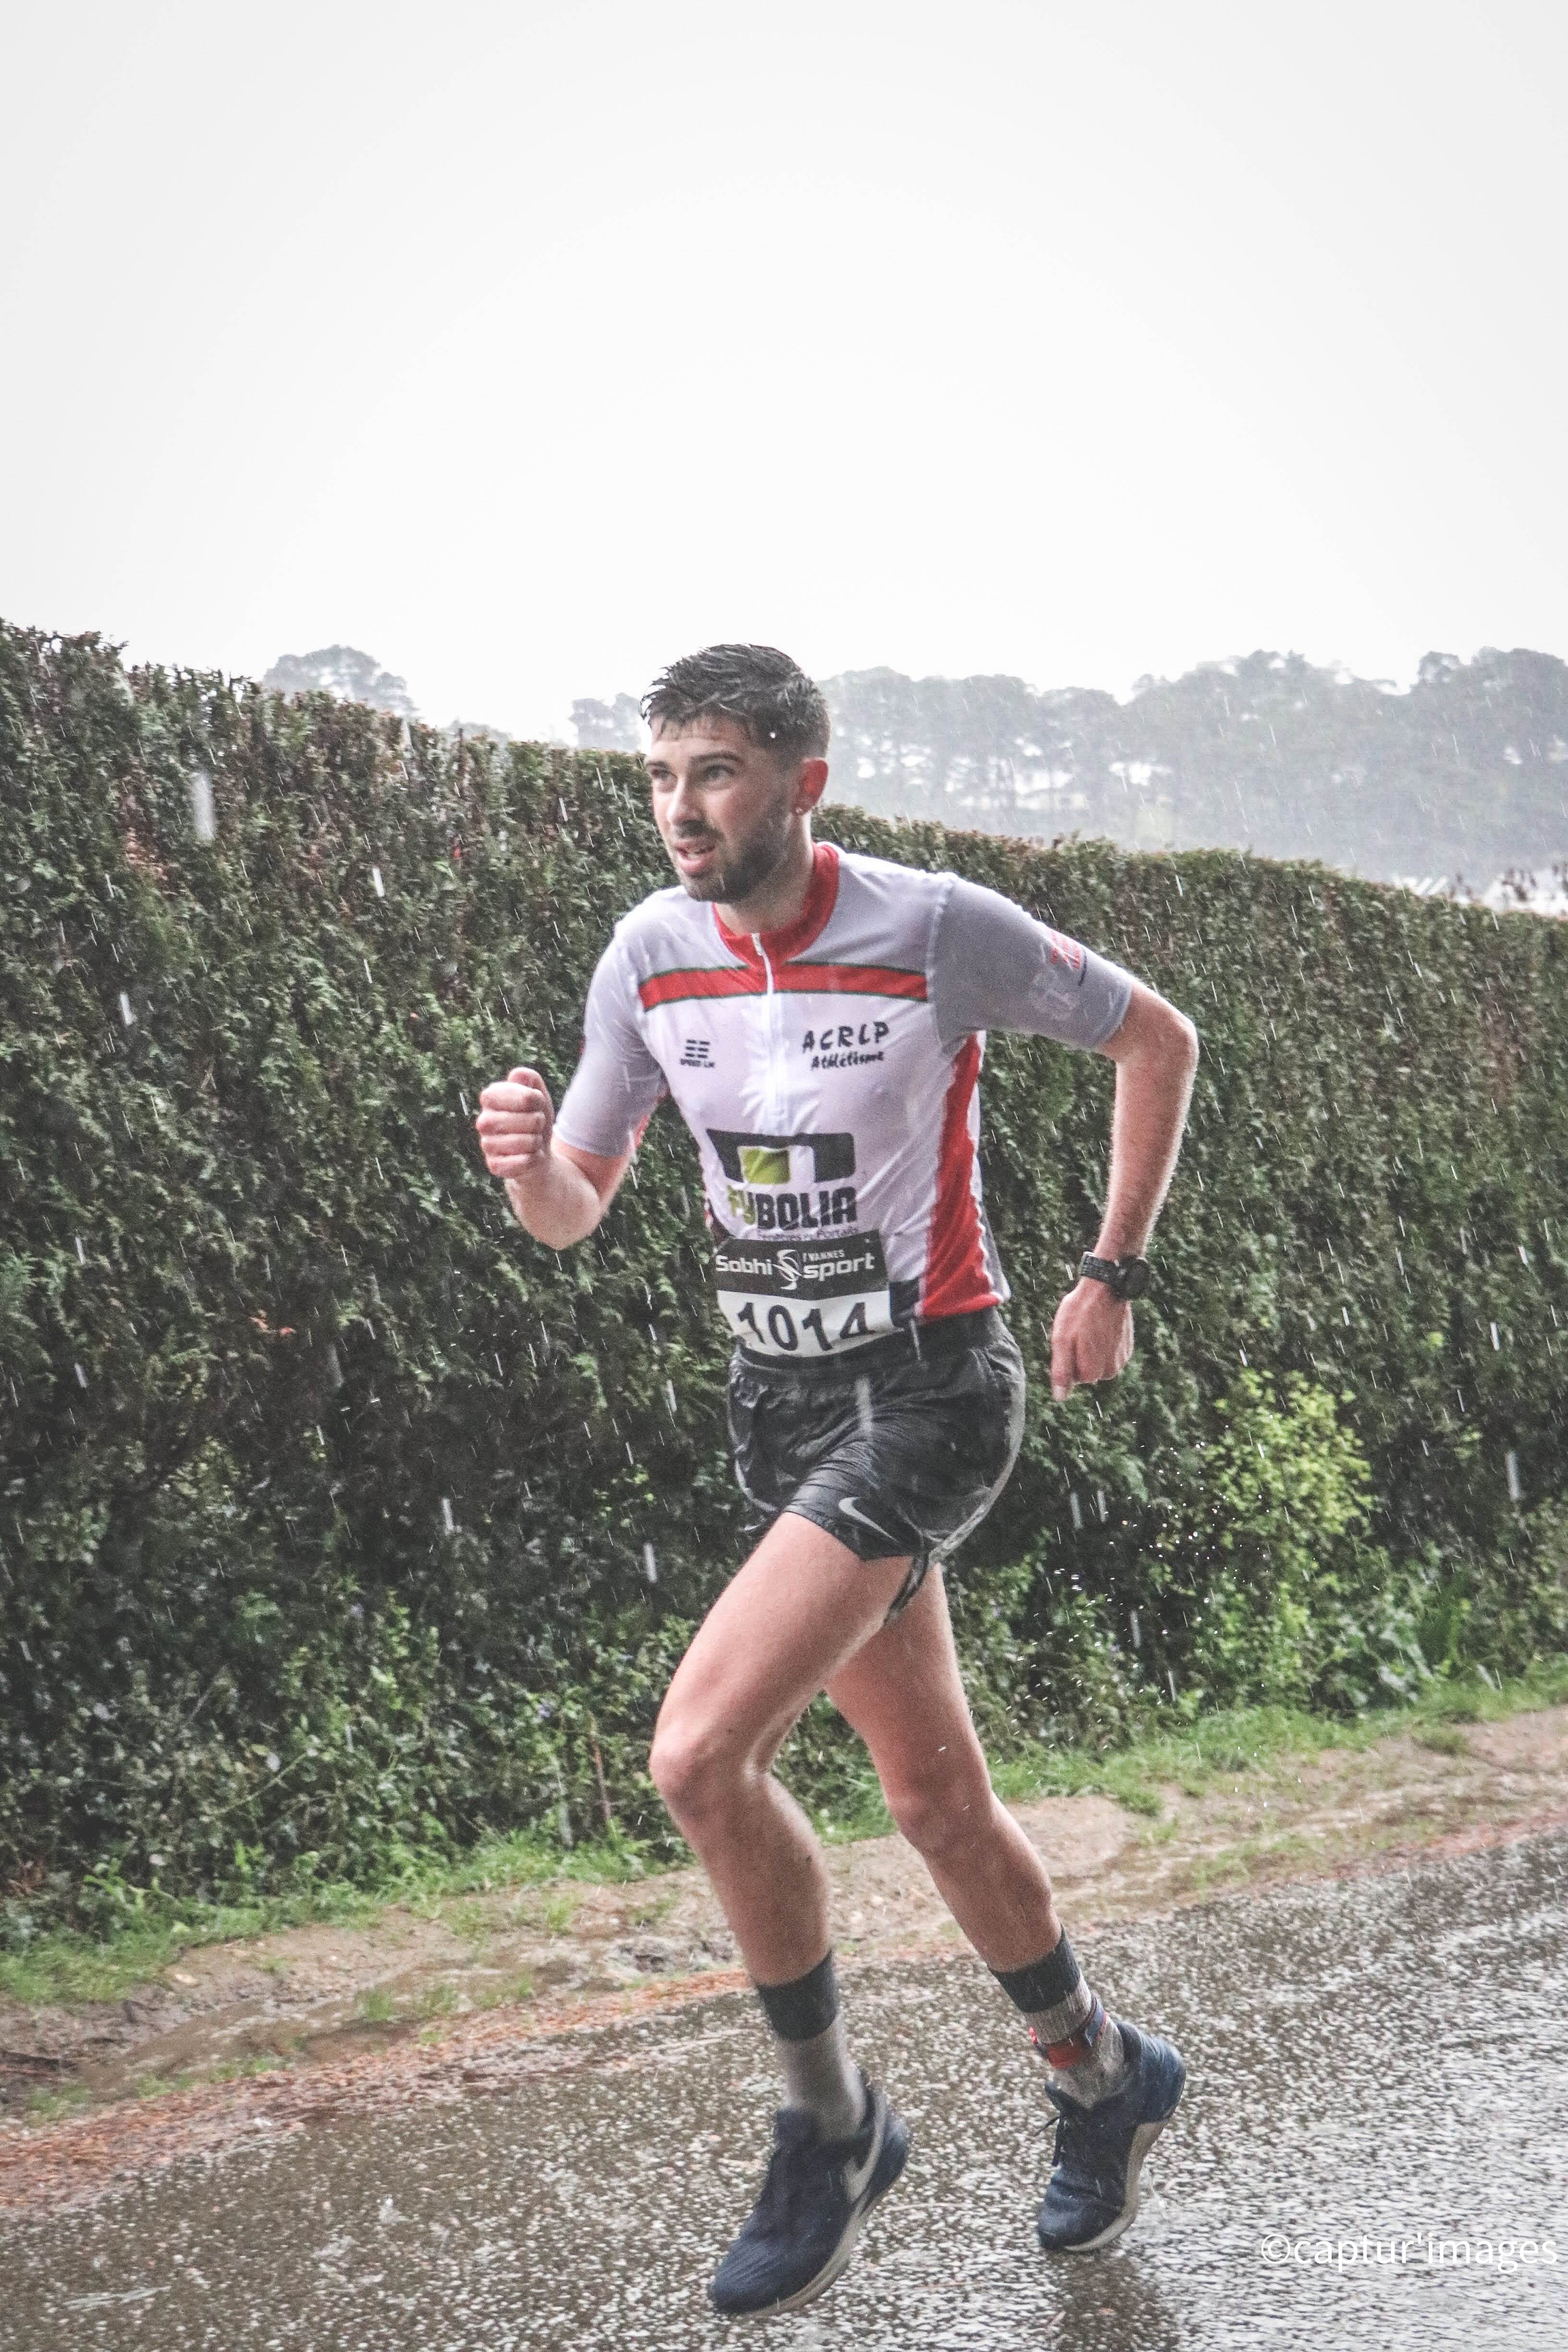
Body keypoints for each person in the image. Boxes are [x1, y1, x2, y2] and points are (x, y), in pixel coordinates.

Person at [475, 644, 1199, 2319]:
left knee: (697, 1754)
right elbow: (577, 1204)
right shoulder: (648, 958)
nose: (681, 809)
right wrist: (524, 1171)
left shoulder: (933, 929)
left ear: (804, 781)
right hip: (780, 1409)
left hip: (930, 1392)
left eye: (715, 772)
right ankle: (1102, 2071)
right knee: (933, 1800)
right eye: (661, 776)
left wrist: (1111, 1271)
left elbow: (1156, 1039)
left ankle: (830, 2117)